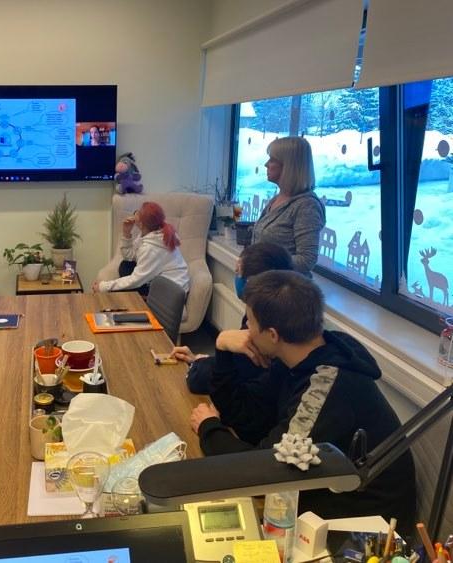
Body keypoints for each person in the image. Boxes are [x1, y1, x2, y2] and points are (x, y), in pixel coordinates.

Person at [189, 270, 416, 534]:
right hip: (322, 495)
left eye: (249, 321)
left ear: (272, 335)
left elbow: (263, 471)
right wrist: (223, 349)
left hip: (363, 529)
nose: (246, 329)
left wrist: (209, 428)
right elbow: (248, 415)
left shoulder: (326, 388)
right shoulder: (297, 359)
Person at [171, 242, 294, 405]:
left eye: (237, 272)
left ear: (251, 282)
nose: (235, 277)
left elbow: (200, 380)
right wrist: (200, 360)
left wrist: (199, 364)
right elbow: (235, 365)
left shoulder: (262, 331)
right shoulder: (283, 315)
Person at [251, 136, 326, 274]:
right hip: (263, 282)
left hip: (283, 286)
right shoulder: (277, 199)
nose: (266, 164)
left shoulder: (306, 206)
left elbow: (307, 260)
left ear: (289, 166)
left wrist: (262, 263)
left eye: (272, 160)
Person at [92, 201, 190, 296]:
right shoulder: (150, 234)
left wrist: (104, 286)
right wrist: (126, 233)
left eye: (138, 212)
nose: (135, 212)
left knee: (116, 292)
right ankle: (138, 296)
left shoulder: (150, 249)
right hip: (159, 279)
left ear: (141, 224)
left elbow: (135, 280)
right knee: (125, 265)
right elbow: (129, 256)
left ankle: (142, 299)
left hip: (171, 291)